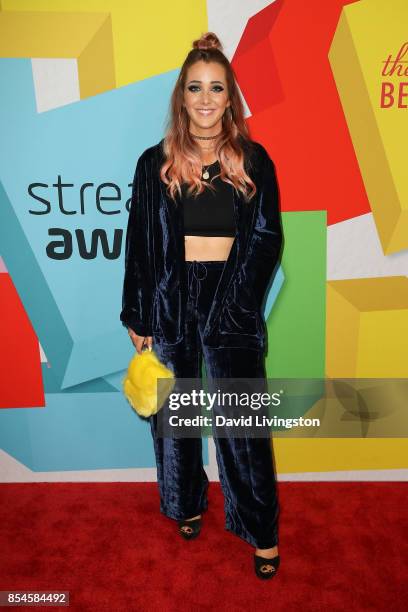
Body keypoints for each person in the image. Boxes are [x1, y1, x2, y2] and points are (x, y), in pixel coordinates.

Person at [120, 32, 283, 580]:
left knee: (242, 424)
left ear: (230, 97)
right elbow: (140, 243)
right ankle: (186, 502)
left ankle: (261, 530)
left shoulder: (254, 160)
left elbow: (266, 240)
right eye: (196, 88)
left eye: (217, 88)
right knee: (176, 418)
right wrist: (138, 315)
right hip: (171, 300)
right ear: (181, 97)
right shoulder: (153, 164)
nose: (207, 98)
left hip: (231, 297)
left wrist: (235, 305)